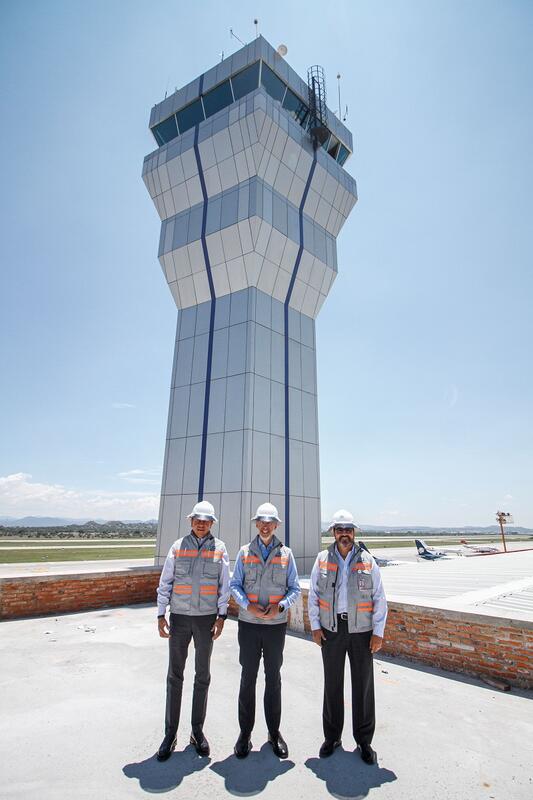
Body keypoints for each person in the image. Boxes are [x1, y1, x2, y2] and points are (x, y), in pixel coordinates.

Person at [308, 509, 387, 764]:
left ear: (354, 533)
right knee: (332, 684)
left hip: (362, 633)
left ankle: (364, 741)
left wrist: (378, 633)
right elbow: (313, 595)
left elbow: (379, 598)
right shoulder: (322, 559)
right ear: (333, 532)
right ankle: (332, 737)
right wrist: (316, 626)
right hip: (331, 630)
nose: (344, 534)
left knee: (362, 686)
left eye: (348, 530)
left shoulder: (368, 560)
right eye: (340, 529)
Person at [155, 500, 230, 760]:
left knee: (202, 676)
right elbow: (165, 582)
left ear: (212, 524)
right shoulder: (178, 547)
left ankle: (196, 731)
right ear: (191, 521)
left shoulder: (220, 549)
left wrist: (221, 617)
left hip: (205, 620)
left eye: (206, 520)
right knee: (175, 676)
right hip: (179, 619)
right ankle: (170, 733)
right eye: (197, 520)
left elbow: (224, 586)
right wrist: (160, 614)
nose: (201, 524)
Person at [230, 502, 301, 759]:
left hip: (274, 628)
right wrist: (247, 605)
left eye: (270, 522)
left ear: (277, 525)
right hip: (249, 626)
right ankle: (244, 735)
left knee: (274, 679)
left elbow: (294, 588)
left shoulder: (287, 554)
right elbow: (234, 584)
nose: (265, 525)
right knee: (247, 679)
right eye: (261, 521)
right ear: (256, 524)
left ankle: (274, 733)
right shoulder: (244, 552)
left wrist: (280, 607)